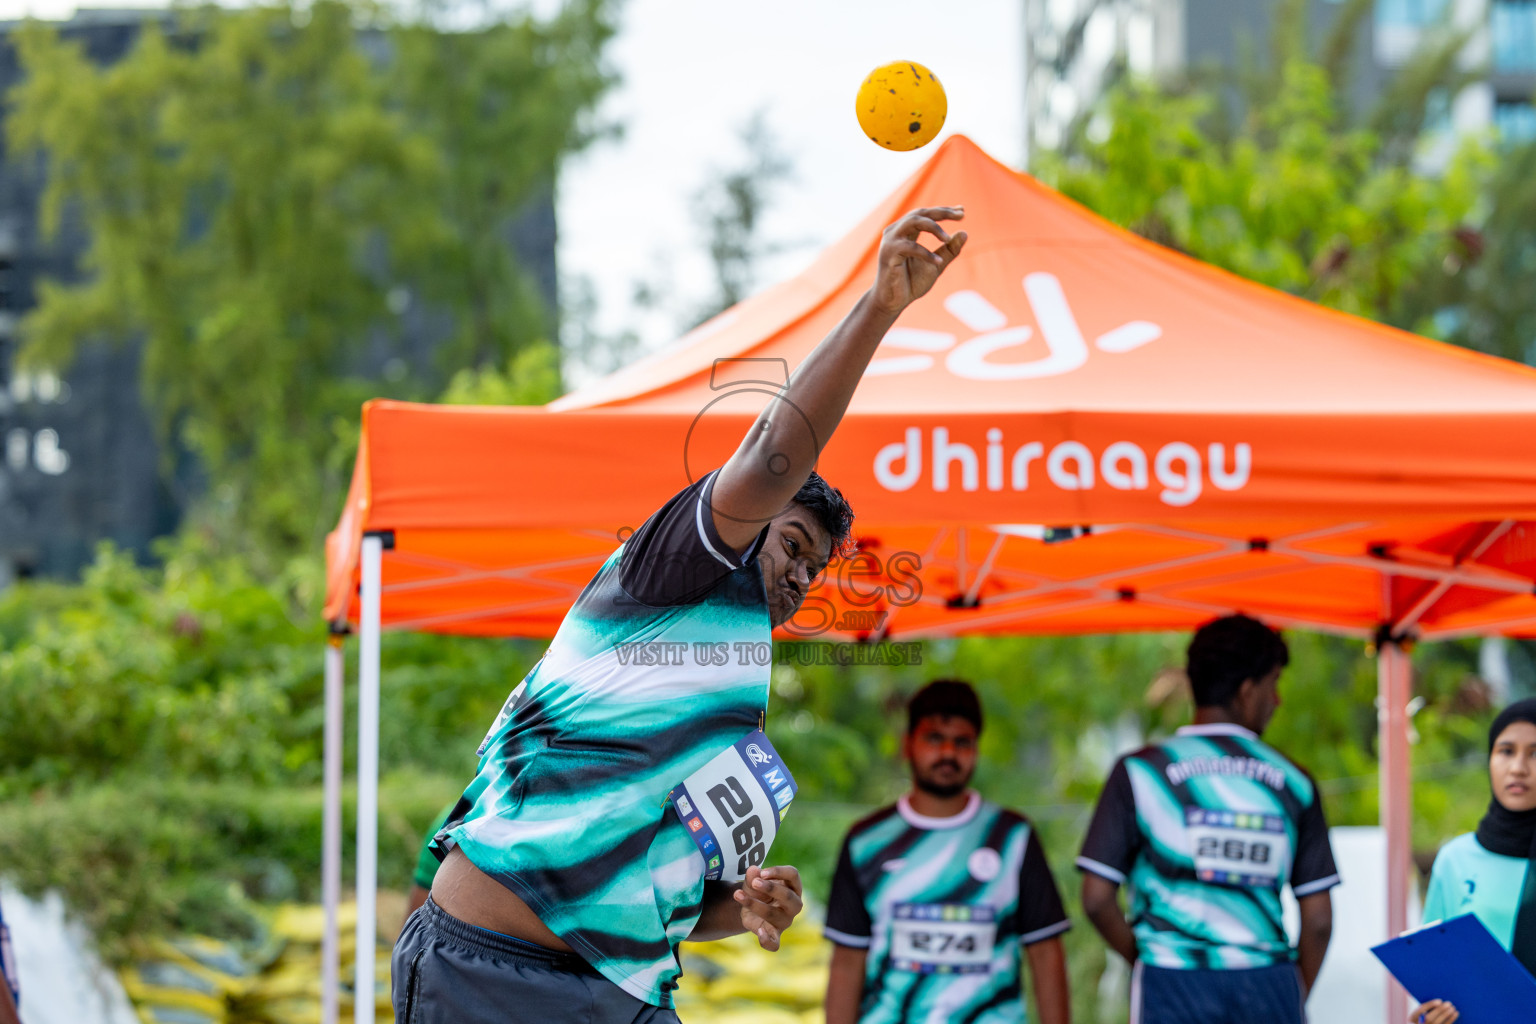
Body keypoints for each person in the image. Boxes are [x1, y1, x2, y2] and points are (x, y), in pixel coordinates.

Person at [392, 206, 968, 1023]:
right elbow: (777, 451)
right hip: (493, 973)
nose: (801, 574)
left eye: (816, 566)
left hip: (622, 993)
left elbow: (663, 898)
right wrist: (878, 308)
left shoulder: (738, 709)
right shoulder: (670, 574)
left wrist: (747, 904)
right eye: (793, 544)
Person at [1077, 614, 1338, 1024]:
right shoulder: (1294, 782)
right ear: (1247, 691)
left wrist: (1150, 956)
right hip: (1266, 982)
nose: (1278, 701)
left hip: (1172, 980)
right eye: (1274, 686)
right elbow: (1318, 920)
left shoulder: (1140, 772)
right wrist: (1291, 992)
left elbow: (1095, 897)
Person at [823, 680, 1072, 1024]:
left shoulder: (1013, 836)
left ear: (976, 750)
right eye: (934, 738)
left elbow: (1045, 953)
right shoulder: (866, 841)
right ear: (907, 744)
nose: (948, 754)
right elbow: (848, 961)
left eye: (962, 742)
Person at [1406, 698, 1536, 1024]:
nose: (1518, 767)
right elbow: (1435, 973)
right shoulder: (1455, 860)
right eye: (1506, 751)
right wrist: (1429, 1017)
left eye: (1535, 753)